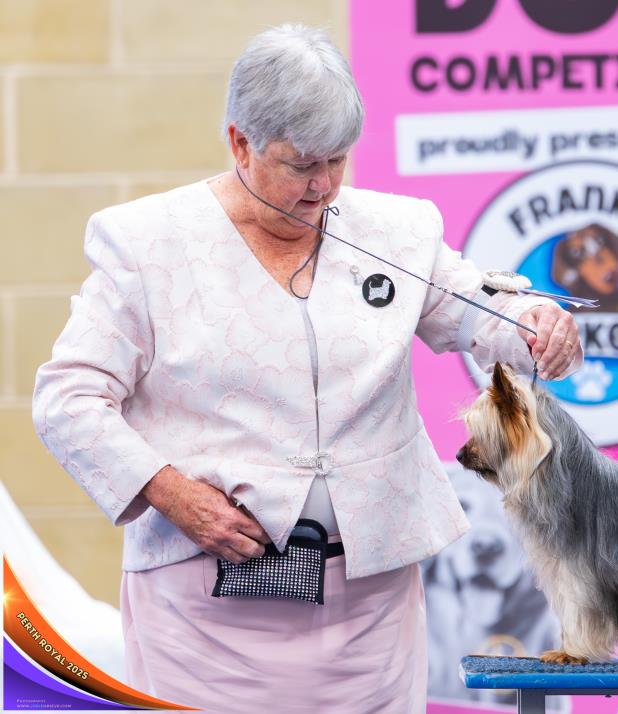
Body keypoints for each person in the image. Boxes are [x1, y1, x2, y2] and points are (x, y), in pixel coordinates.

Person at [32, 24, 582, 714]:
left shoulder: (400, 230)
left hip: (371, 616)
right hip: (204, 618)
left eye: (337, 160)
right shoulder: (145, 245)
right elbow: (67, 399)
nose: (322, 186)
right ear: (240, 143)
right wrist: (172, 494)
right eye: (299, 166)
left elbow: (477, 309)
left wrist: (535, 323)